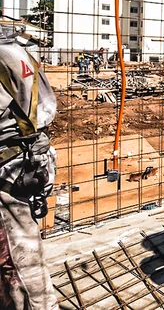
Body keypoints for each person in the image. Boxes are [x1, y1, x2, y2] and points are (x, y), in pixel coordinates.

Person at [0, 25, 59, 308]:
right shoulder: (14, 48)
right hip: (27, 159)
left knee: (19, 267)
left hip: (10, 168)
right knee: (25, 259)